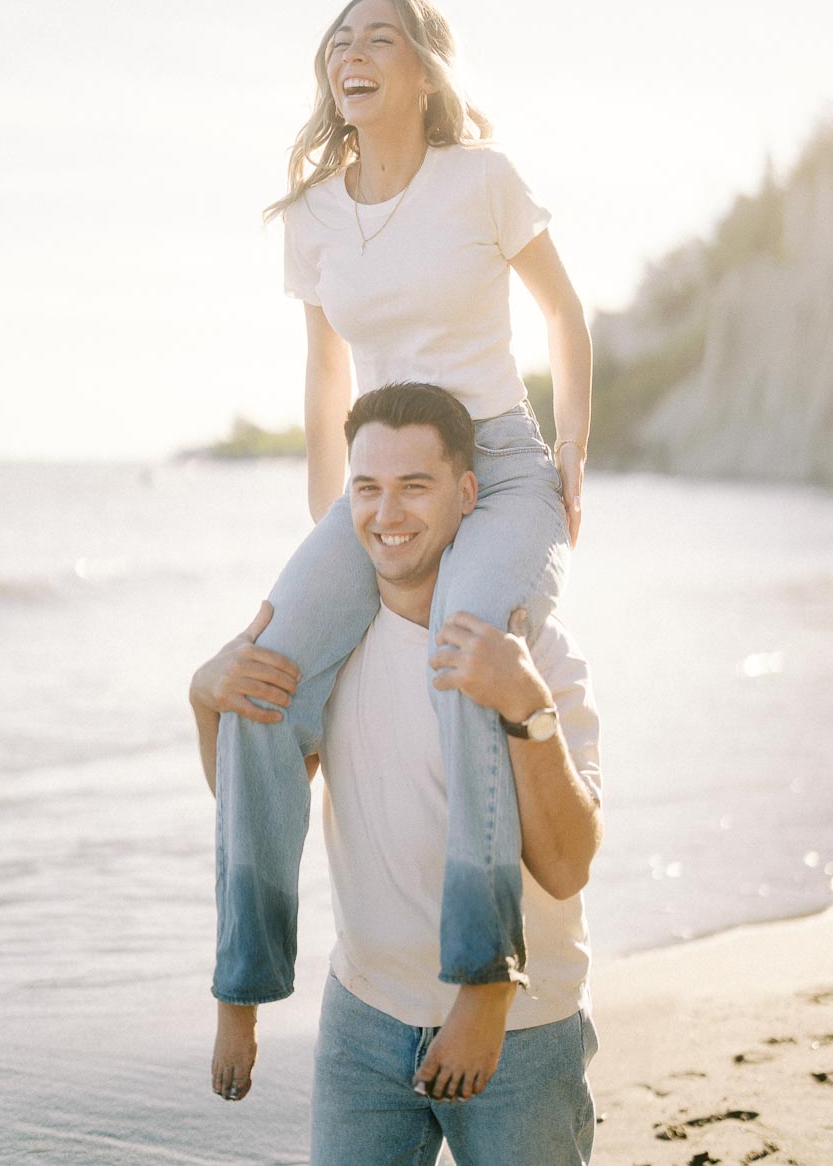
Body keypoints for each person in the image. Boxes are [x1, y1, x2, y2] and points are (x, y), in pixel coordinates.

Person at [212, 0, 593, 1099]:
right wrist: (333, 525)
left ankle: (485, 972)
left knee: (467, 651)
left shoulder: (483, 179)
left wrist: (573, 451)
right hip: (386, 483)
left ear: (425, 69)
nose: (352, 51)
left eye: (380, 35)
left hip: (503, 469)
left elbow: (566, 314)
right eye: (339, 38)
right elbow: (326, 372)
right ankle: (242, 980)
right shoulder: (315, 215)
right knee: (264, 670)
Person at [191, 384, 602, 1163]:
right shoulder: (330, 649)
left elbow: (568, 861)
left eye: (415, 486)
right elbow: (258, 800)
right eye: (367, 488)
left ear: (468, 493)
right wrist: (202, 699)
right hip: (365, 1023)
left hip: (523, 1029)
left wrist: (527, 707)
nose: (388, 514)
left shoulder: (535, 648)